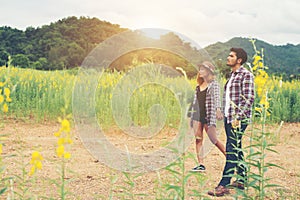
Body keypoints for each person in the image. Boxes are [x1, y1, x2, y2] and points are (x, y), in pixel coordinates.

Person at [208, 47, 255, 196]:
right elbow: (228, 97)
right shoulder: (232, 75)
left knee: (231, 148)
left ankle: (223, 184)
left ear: (239, 60)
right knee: (236, 146)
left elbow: (249, 98)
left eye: (231, 56)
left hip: (238, 119)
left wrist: (237, 117)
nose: (228, 58)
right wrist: (221, 110)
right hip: (230, 117)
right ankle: (242, 178)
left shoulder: (246, 75)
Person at [188, 61, 226, 172]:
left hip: (208, 115)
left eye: (203, 69)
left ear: (209, 71)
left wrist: (218, 109)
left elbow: (217, 98)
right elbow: (195, 103)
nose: (200, 71)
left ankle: (230, 159)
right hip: (197, 115)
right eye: (200, 69)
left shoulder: (214, 85)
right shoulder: (198, 86)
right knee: (198, 139)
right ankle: (201, 164)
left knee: (214, 140)